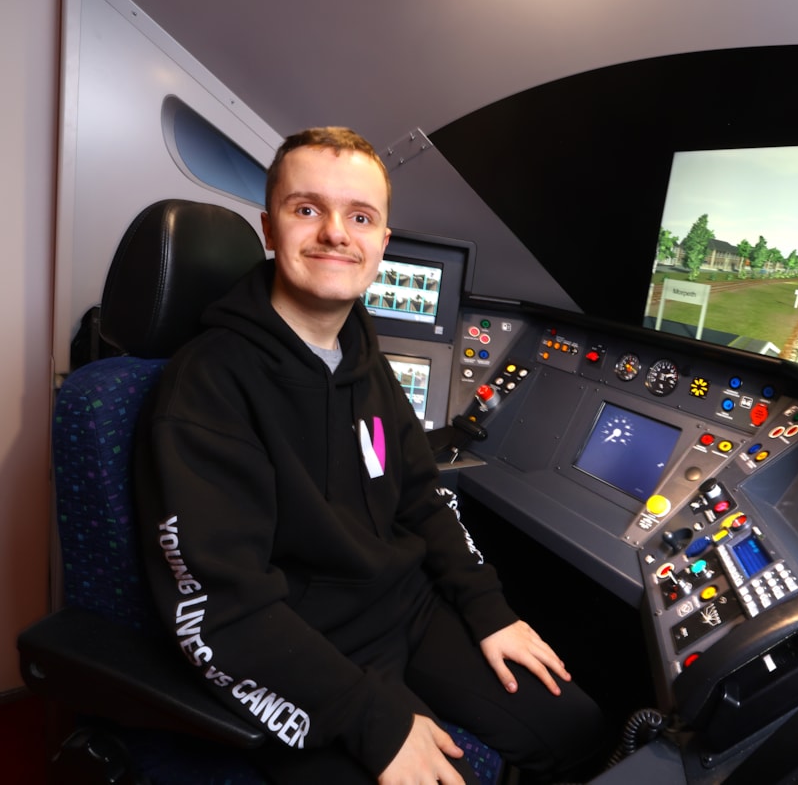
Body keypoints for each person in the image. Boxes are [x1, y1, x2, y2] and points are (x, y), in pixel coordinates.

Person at [135, 127, 605, 784]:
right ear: (270, 229)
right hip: (296, 643)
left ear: (381, 243)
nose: (335, 233)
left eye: (359, 217)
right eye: (307, 209)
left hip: (401, 609)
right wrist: (371, 719)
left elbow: (420, 496)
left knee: (576, 730)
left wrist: (487, 610)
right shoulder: (206, 387)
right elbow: (223, 608)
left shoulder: (360, 353)